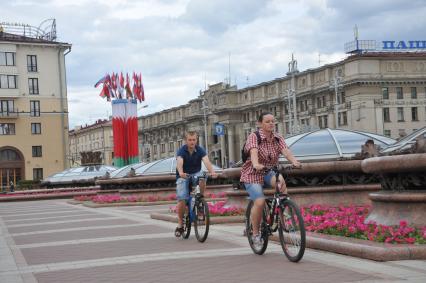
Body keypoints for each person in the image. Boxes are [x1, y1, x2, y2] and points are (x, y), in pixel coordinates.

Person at [240, 112, 301, 248]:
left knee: (281, 183)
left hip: (269, 171)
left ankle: (284, 211)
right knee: (260, 202)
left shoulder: (277, 137)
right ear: (260, 124)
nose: (271, 124)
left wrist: (294, 161)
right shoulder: (254, 137)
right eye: (267, 121)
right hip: (252, 173)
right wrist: (255, 164)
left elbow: (285, 151)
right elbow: (253, 151)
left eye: (273, 121)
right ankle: (255, 233)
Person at [175, 131, 217, 237]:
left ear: (196, 140)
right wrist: (180, 173)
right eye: (190, 140)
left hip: (195, 173)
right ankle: (180, 224)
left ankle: (199, 199)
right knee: (182, 199)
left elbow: (206, 161)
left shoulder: (200, 150)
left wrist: (212, 171)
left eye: (194, 139)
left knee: (203, 176)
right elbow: (179, 162)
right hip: (183, 175)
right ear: (186, 140)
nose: (192, 142)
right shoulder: (182, 150)